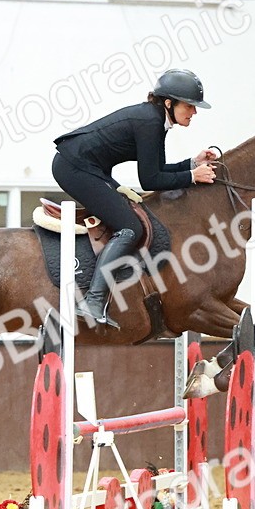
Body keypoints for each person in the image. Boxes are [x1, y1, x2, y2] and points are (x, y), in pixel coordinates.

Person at [52, 68, 219, 329]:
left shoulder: (155, 119)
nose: (194, 112)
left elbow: (158, 170)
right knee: (131, 227)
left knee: (132, 215)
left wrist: (191, 164)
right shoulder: (150, 122)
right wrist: (192, 177)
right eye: (190, 106)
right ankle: (93, 301)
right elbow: (150, 181)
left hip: (88, 168)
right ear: (169, 103)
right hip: (75, 167)